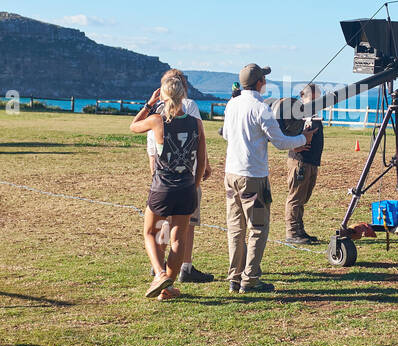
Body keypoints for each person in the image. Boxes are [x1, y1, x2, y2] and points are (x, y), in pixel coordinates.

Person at [222, 63, 310, 294]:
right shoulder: (261, 108)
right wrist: (303, 138)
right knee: (258, 228)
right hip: (254, 177)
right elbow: (281, 142)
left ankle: (234, 277)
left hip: (231, 174)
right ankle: (250, 280)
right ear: (261, 82)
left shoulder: (232, 104)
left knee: (236, 228)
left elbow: (227, 136)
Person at [133, 69, 214, 284]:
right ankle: (168, 283)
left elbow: (133, 127)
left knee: (152, 231)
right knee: (179, 238)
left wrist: (149, 104)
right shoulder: (197, 122)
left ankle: (160, 274)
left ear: (163, 95)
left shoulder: (156, 120)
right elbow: (202, 159)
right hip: (187, 186)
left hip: (163, 185)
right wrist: (194, 185)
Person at [284, 82, 324, 245]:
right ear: (302, 97)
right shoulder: (297, 115)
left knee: (303, 198)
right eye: (312, 99)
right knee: (296, 197)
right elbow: (284, 133)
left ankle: (299, 230)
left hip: (311, 162)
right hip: (300, 162)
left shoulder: (312, 115)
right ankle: (292, 232)